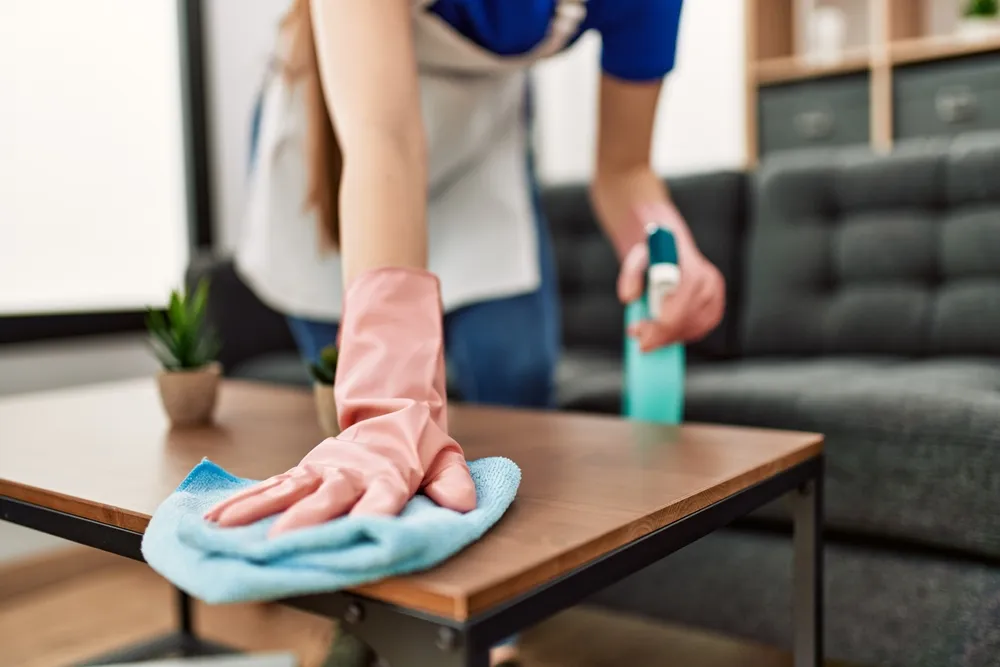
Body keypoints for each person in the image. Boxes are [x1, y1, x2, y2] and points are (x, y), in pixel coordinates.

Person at [209, 1, 724, 664]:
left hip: (480, 138)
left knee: (515, 374)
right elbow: (384, 138)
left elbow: (624, 169)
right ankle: (369, 618)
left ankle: (488, 625)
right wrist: (387, 403)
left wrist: (665, 242)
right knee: (354, 401)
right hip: (346, 136)